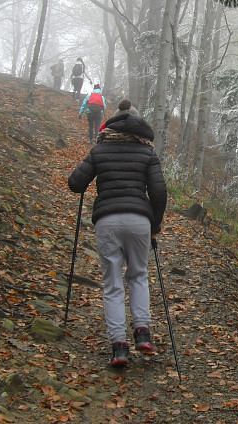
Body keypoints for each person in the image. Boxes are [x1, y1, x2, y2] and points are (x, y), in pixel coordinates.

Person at [68, 99, 166, 368]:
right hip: (139, 221)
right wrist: (155, 225)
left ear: (113, 122)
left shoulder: (100, 149)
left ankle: (119, 347)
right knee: (138, 275)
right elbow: (159, 192)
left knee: (112, 283)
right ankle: (143, 332)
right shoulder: (147, 152)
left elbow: (75, 184)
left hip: (107, 220)